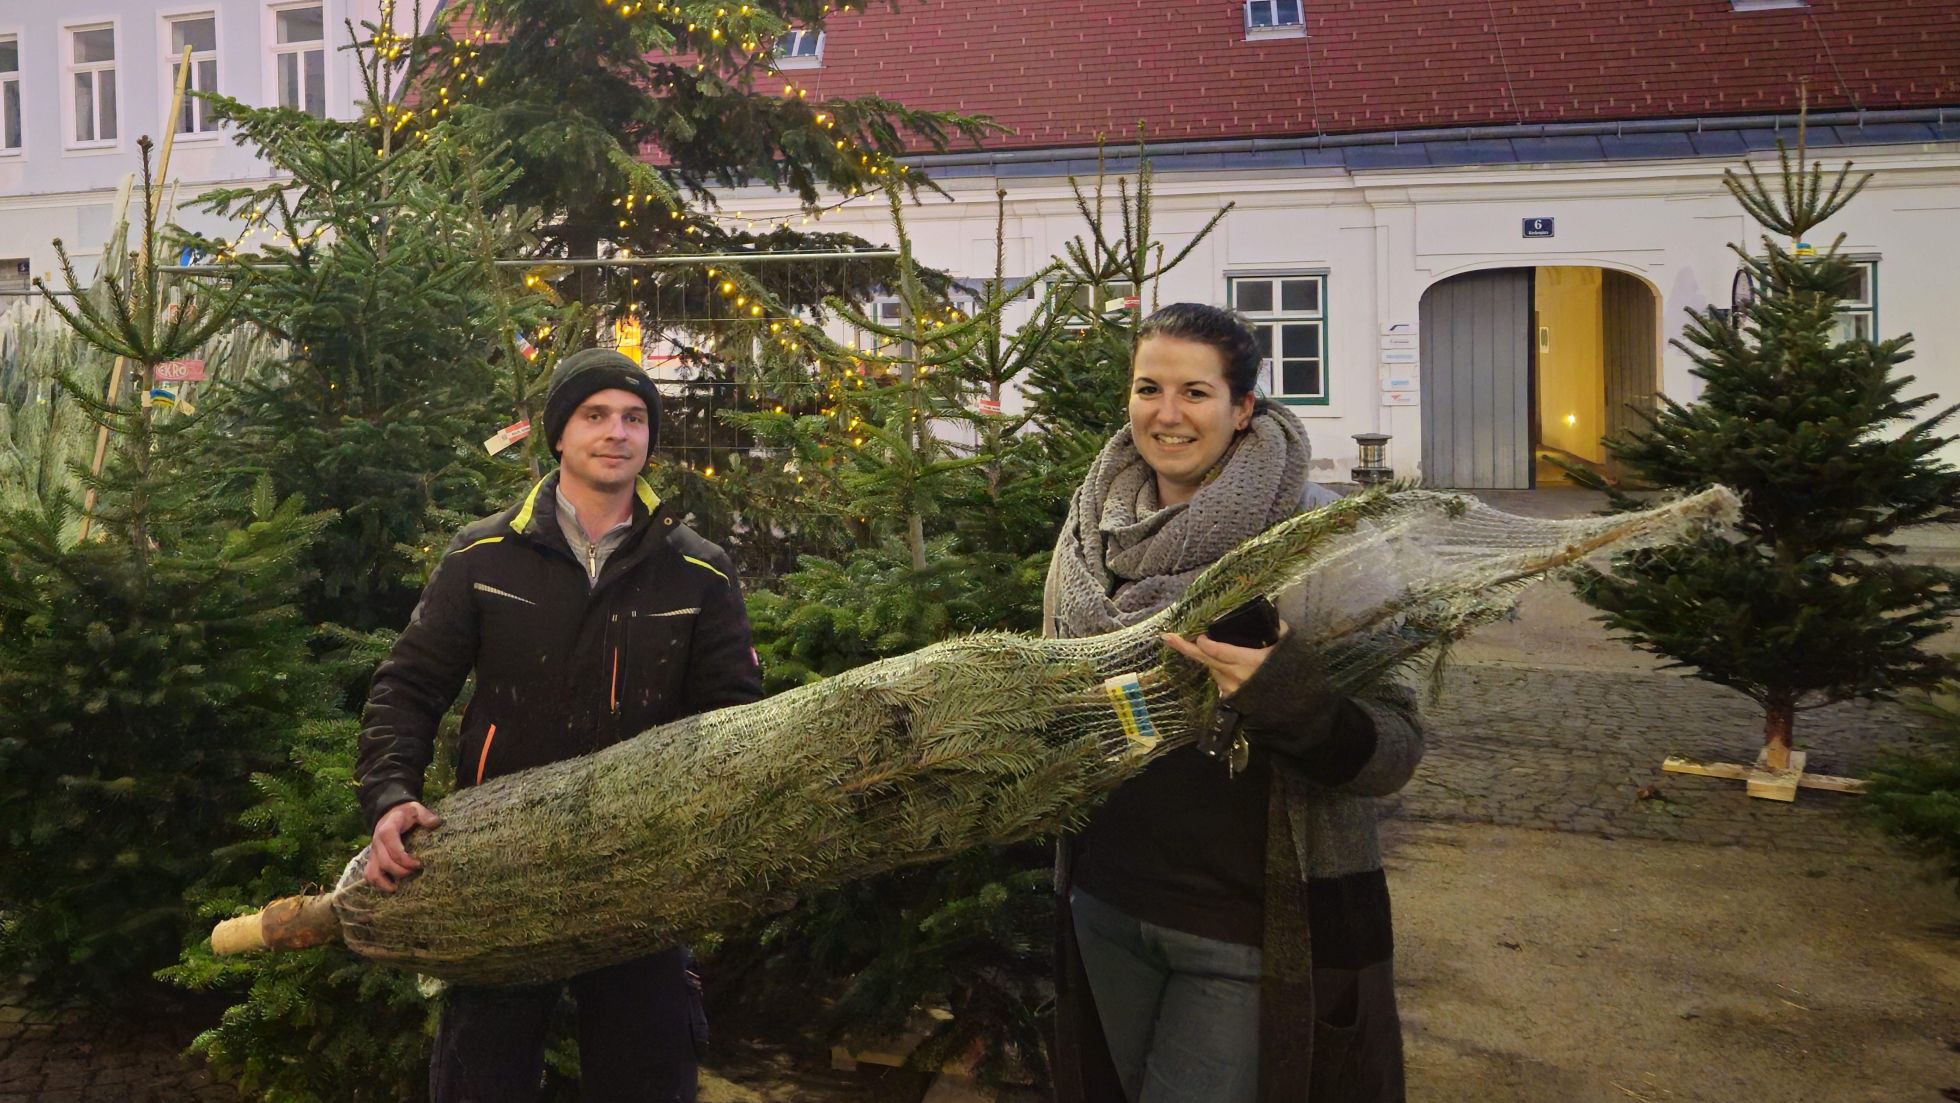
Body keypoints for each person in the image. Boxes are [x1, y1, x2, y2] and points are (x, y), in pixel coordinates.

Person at [354, 348, 763, 1103]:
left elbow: (735, 721)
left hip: (642, 867)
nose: (617, 432)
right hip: (497, 864)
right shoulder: (483, 555)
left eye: (634, 418)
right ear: (559, 434)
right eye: (595, 415)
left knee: (647, 1080)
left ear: (650, 437)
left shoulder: (699, 570)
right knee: (481, 1079)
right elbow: (408, 686)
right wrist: (389, 797)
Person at [1045, 303, 1425, 1103]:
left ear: (1243, 406)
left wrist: (1286, 695)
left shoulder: (1318, 536)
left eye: (1196, 392)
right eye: (1149, 388)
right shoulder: (1090, 534)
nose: (1167, 414)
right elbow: (1057, 697)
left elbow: (1394, 748)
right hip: (1106, 900)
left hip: (1244, 929)